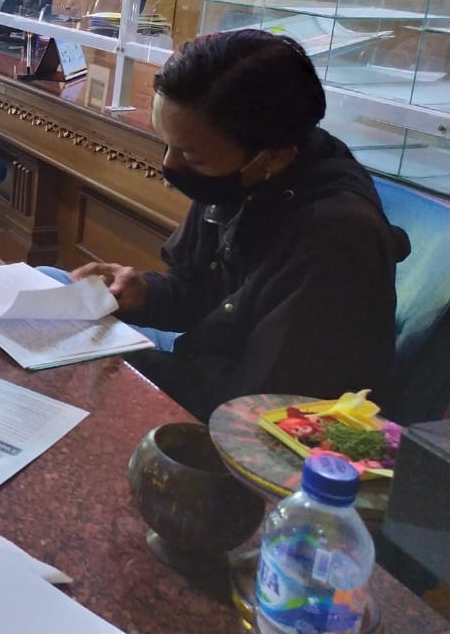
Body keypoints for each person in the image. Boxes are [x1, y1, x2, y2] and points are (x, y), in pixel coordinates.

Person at [69, 30, 409, 420]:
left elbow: (257, 404)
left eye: (191, 155)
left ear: (274, 157)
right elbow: (197, 287)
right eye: (166, 143)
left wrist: (124, 363)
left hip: (257, 424)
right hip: (208, 362)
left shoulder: (334, 239)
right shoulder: (240, 172)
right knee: (53, 282)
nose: (169, 166)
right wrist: (143, 294)